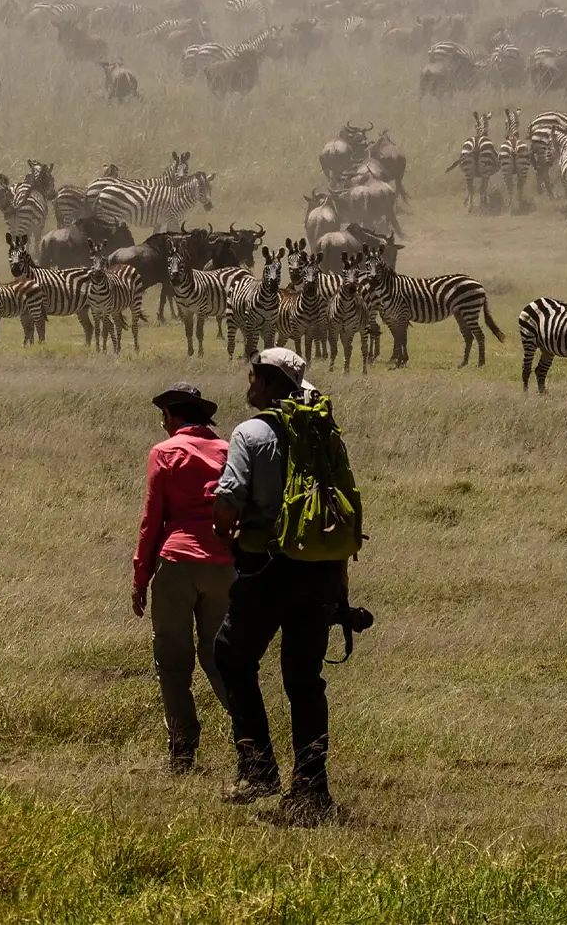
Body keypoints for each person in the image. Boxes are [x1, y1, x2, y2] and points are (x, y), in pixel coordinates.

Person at [212, 348, 353, 824]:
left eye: (254, 378)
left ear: (270, 385)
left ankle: (258, 768)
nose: (248, 385)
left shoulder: (250, 433)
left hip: (265, 568)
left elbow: (229, 498)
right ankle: (311, 788)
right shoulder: (323, 431)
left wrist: (223, 528)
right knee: (304, 680)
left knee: (232, 656)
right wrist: (340, 587)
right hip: (320, 572)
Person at [132, 382, 234, 773]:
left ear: (172, 417)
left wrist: (141, 577)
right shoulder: (229, 450)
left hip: (176, 561)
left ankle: (182, 749)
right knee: (220, 656)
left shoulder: (164, 452)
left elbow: (151, 519)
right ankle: (250, 740)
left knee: (173, 662)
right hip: (224, 564)